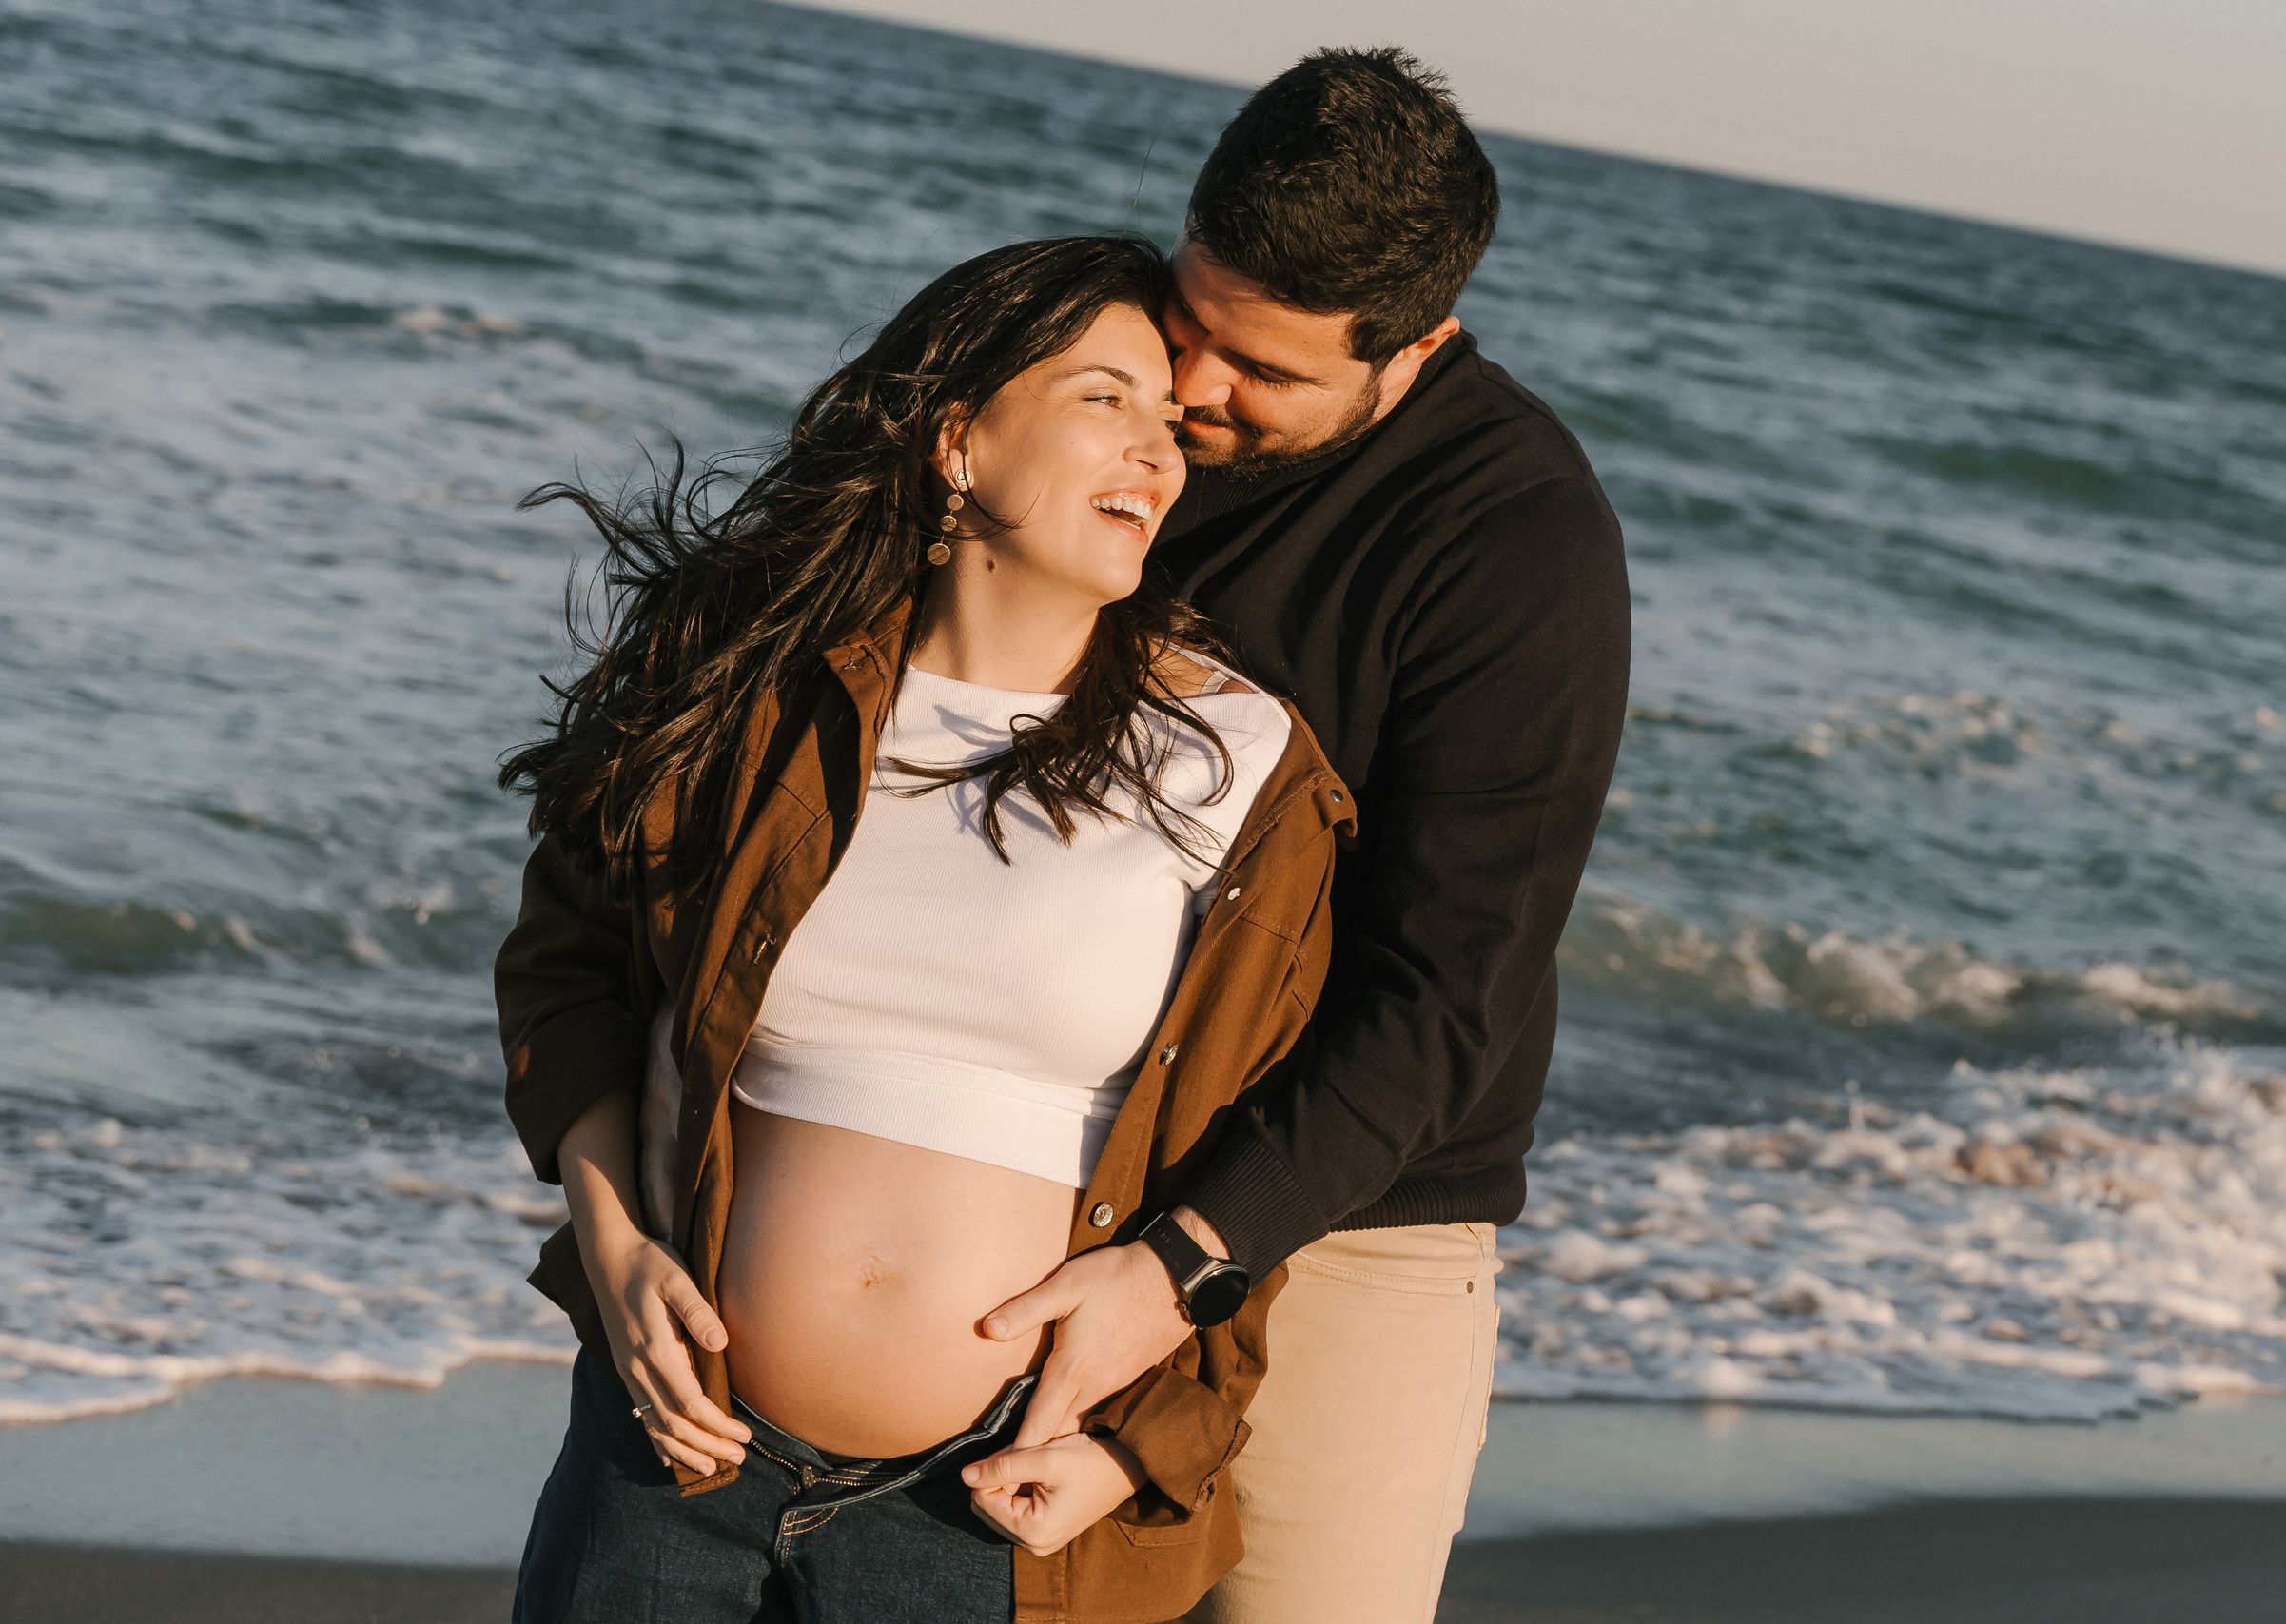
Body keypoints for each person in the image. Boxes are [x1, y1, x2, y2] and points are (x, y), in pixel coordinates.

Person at [493, 235, 1354, 1623]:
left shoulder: (1239, 763)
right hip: (674, 1452)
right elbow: (567, 975)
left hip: (989, 1500)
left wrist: (1132, 1453)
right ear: (958, 441)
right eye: (1102, 400)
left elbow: (1259, 1150)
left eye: (1170, 420)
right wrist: (613, 1250)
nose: (1157, 451)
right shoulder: (761, 690)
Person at [967, 49, 1631, 1624]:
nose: (1192, 396)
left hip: (1346, 1217)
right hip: (1040, 1138)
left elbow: (1448, 999)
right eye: (1195, 325)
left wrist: (1183, 1260)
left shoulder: (1517, 543)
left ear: (1417, 346)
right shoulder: (1112, 385)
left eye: (1264, 372)